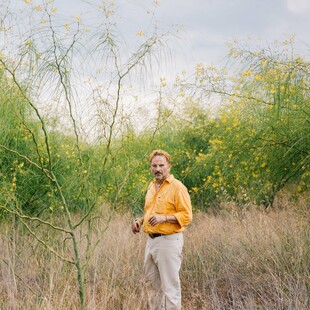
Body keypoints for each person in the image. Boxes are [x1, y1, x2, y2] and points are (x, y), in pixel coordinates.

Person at [132, 149, 192, 310]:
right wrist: (140, 221)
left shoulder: (177, 187)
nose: (158, 169)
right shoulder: (152, 186)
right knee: (152, 287)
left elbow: (187, 216)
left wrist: (164, 218)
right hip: (151, 242)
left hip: (169, 241)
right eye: (154, 165)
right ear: (150, 168)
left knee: (170, 289)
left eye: (161, 165)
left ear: (168, 167)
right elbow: (150, 211)